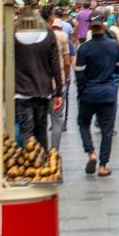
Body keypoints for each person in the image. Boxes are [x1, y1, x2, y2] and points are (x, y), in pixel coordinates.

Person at [76, 8, 119, 177]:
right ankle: (103, 166)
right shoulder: (113, 45)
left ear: (90, 27)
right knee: (107, 130)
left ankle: (91, 153)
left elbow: (79, 74)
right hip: (108, 93)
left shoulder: (83, 48)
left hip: (89, 93)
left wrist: (81, 92)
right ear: (104, 26)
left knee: (83, 124)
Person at [14, 7, 63, 149]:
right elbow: (55, 65)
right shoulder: (49, 34)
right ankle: (42, 160)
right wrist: (58, 92)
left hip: (21, 91)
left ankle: (28, 159)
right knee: (41, 130)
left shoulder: (15, 34)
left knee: (26, 131)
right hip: (43, 91)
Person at [47, 11, 71, 151]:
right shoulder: (63, 36)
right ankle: (54, 152)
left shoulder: (44, 36)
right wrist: (65, 78)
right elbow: (67, 62)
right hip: (59, 81)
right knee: (57, 119)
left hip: (42, 83)